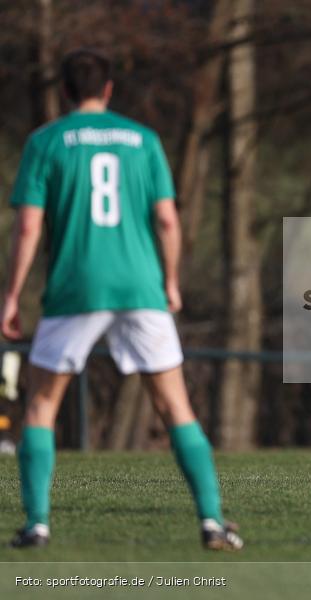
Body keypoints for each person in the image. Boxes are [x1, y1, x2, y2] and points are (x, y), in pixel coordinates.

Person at [0, 49, 242, 550]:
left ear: (65, 91)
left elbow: (27, 225)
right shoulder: (144, 140)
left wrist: (12, 295)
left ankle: (38, 524)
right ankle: (212, 521)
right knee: (176, 406)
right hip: (140, 287)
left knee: (42, 406)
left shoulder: (45, 142)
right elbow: (168, 219)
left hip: (74, 288)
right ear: (108, 89)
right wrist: (171, 281)